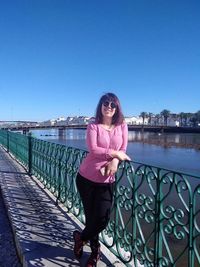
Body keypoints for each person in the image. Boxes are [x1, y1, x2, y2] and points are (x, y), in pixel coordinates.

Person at [73, 92, 131, 267]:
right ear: (101, 106)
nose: (109, 107)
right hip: (86, 178)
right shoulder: (93, 125)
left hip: (107, 180)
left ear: (117, 108)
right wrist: (115, 154)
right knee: (92, 219)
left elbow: (123, 148)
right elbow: (94, 149)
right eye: (106, 104)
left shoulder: (122, 125)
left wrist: (114, 161)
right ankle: (95, 253)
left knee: (102, 219)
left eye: (113, 105)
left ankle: (79, 238)